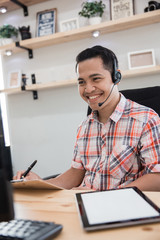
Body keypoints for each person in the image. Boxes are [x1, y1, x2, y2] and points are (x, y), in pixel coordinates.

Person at [14, 45, 160, 191]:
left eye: (96, 79)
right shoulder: (85, 126)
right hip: (84, 204)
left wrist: (102, 196)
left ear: (116, 77)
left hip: (124, 208)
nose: (88, 89)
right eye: (81, 82)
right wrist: (39, 183)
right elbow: (75, 173)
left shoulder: (146, 119)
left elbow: (157, 177)